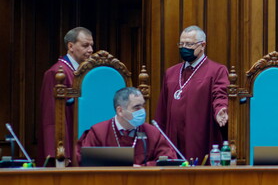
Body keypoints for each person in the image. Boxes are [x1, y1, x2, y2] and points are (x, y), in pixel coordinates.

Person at [155, 25, 229, 161]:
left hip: (198, 135)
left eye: (189, 44)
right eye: (181, 44)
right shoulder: (171, 72)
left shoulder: (216, 70)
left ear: (202, 45)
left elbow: (220, 94)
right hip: (173, 137)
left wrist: (220, 109)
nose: (184, 48)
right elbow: (162, 108)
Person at [75, 87, 177, 166]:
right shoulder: (98, 132)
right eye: (137, 107)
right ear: (120, 111)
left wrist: (143, 168)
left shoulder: (152, 132)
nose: (142, 111)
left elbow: (168, 160)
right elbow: (84, 161)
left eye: (143, 106)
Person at [38, 27, 94, 166]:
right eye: (85, 45)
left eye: (91, 45)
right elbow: (51, 117)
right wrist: (60, 153)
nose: (90, 50)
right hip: (66, 149)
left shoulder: (85, 73)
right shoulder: (56, 73)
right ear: (70, 46)